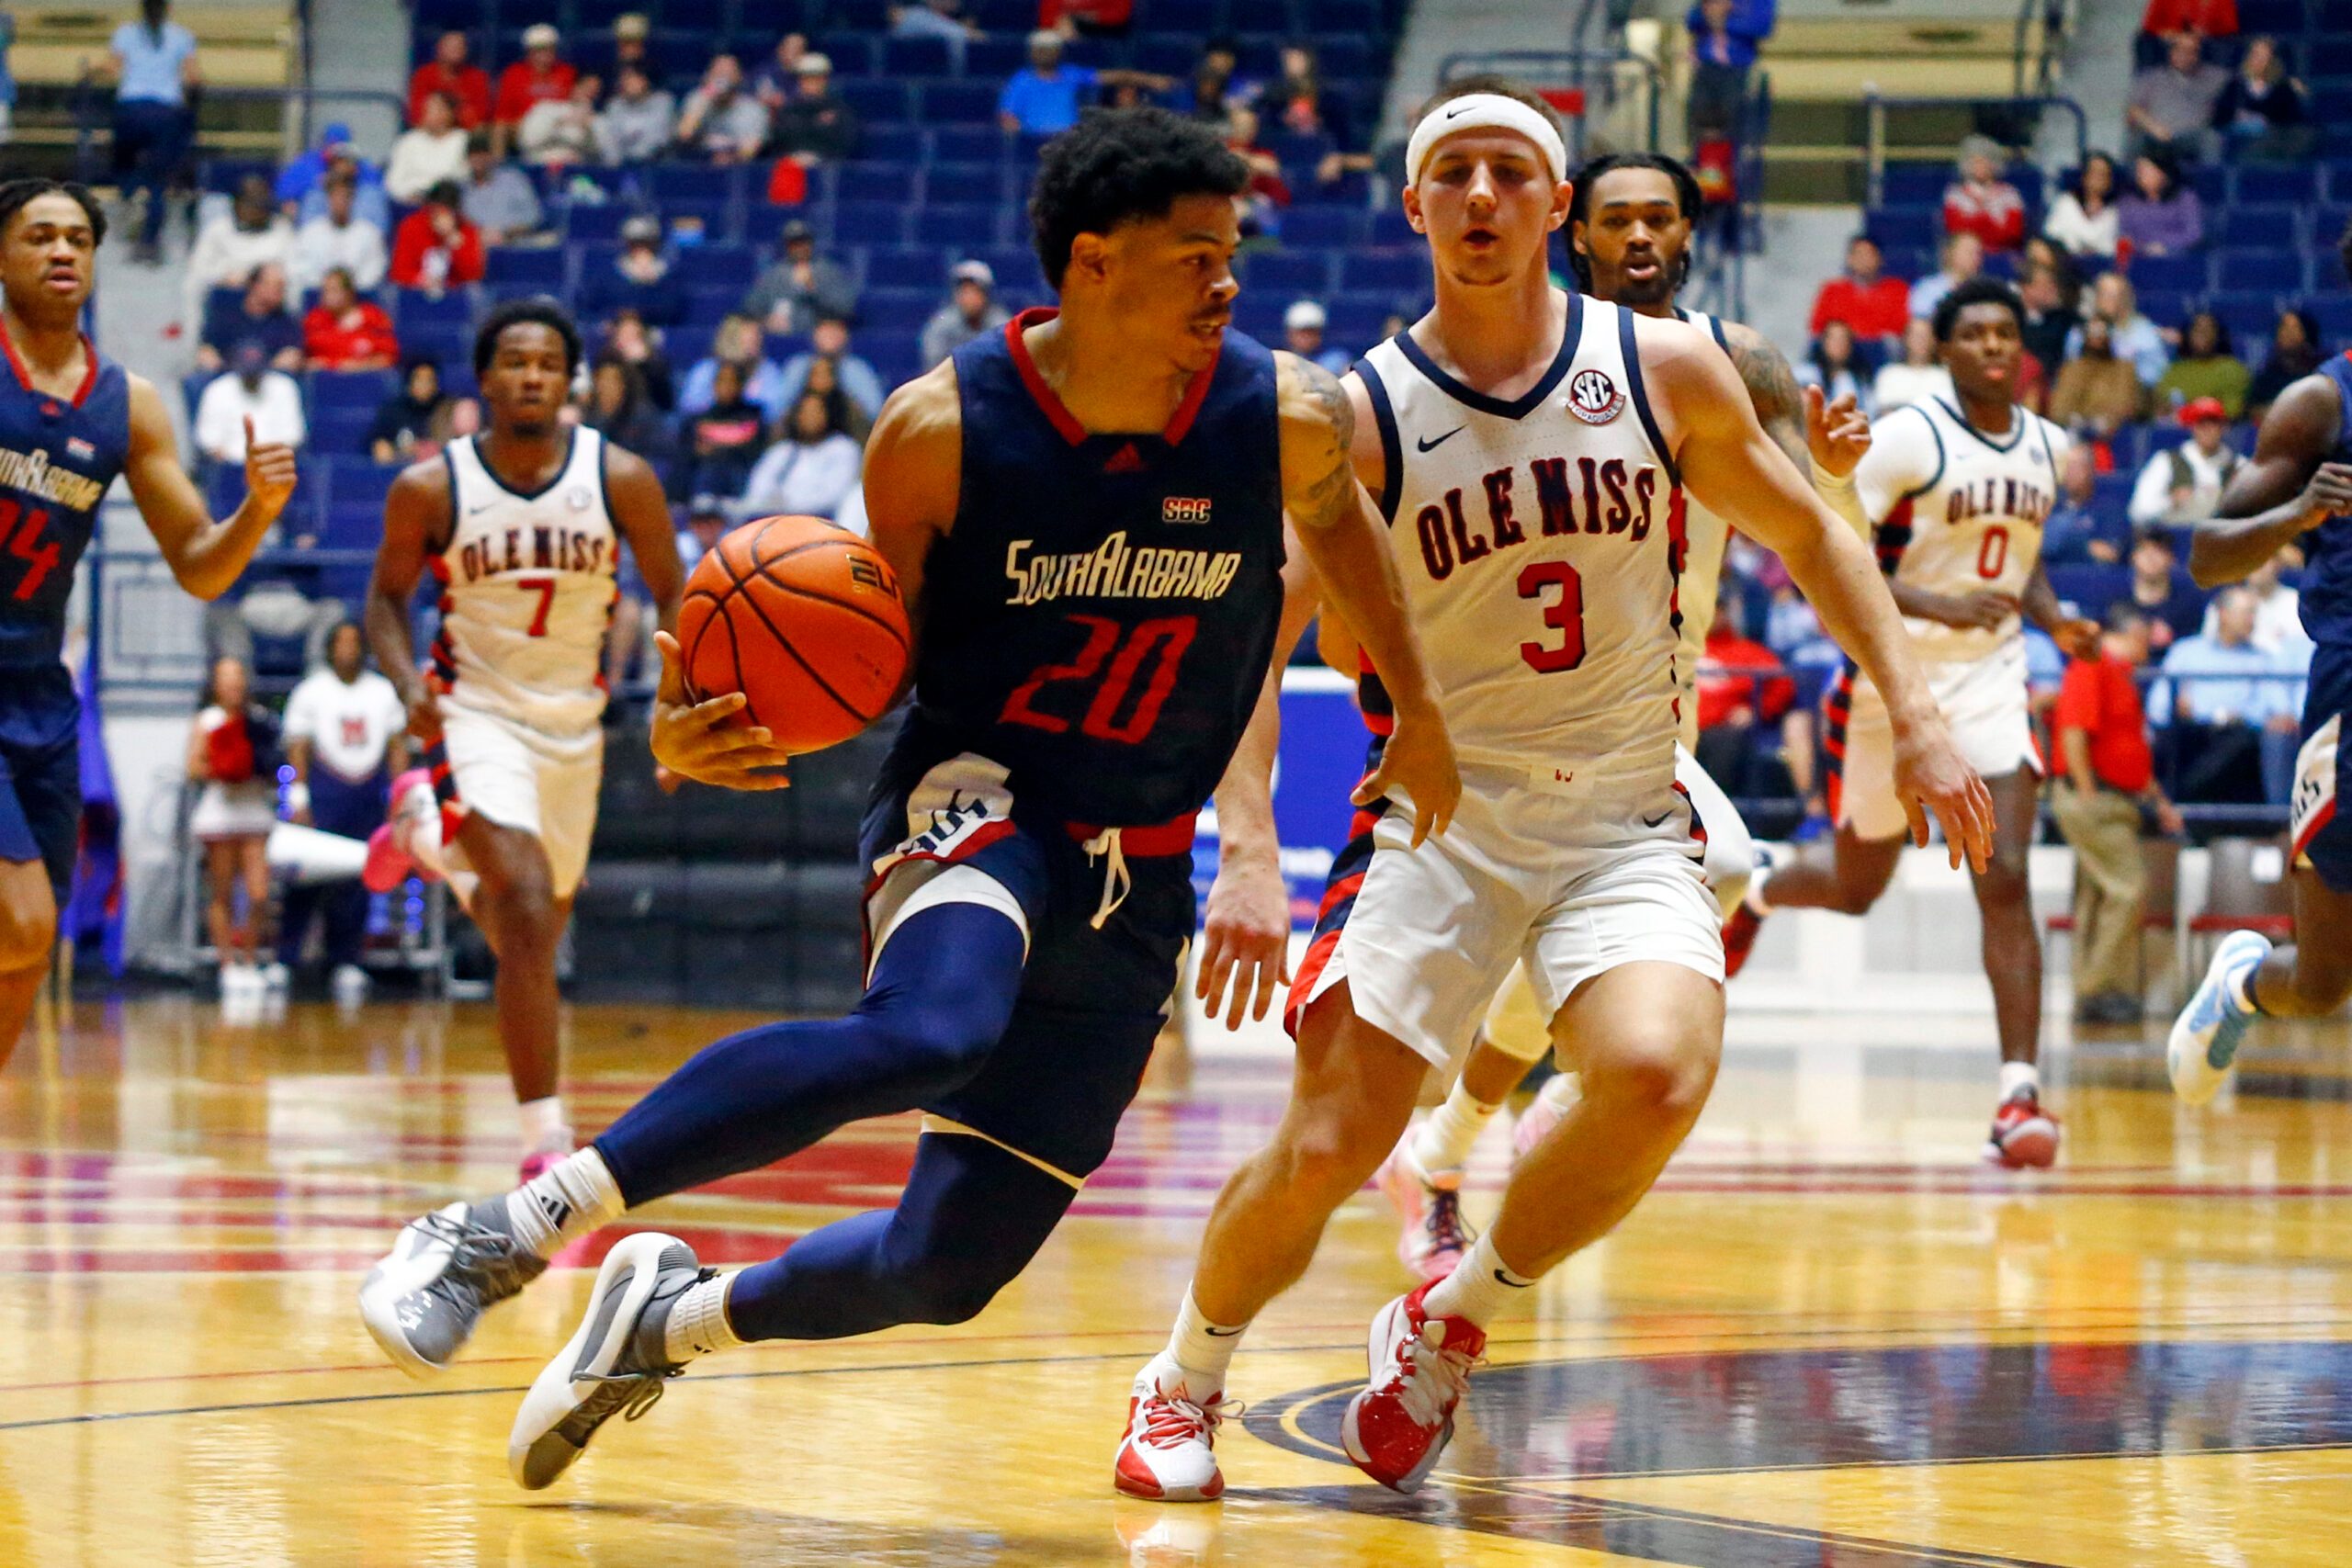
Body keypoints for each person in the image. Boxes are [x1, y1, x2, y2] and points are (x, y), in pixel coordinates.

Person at [355, 110, 1457, 1498]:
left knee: (944, 1268)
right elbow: (868, 657)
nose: (1228, 284)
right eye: (1198, 257)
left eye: (1233, 254)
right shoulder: (940, 431)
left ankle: (667, 1317)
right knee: (935, 1027)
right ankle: (500, 1227)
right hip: (978, 798)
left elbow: (1347, 535)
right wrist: (715, 727)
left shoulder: (1286, 413)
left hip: (1139, 862)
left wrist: (1414, 715)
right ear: (1095, 266)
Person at [1115, 88, 1984, 1503]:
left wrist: (1921, 711)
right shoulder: (1362, 413)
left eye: (1508, 172)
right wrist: (1251, 850)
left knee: (1654, 1071)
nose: (1478, 195)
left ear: (1553, 206)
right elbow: (1243, 650)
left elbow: (1821, 540)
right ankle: (1184, 1374)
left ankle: (1451, 1321)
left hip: (1624, 814)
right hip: (1438, 819)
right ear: (1414, 208)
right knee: (1331, 1140)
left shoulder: (1670, 368)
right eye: (1449, 172)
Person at [1366, 148, 1871, 1275]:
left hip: (1651, 717)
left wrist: (1834, 481)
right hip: (1511, 726)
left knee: (1722, 876)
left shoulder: (1732, 365)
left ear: (1690, 234)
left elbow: (1816, 537)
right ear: (1571, 230)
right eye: (1616, 220)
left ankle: (1445, 1150)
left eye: (1661, 219)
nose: (1639, 237)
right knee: (1720, 868)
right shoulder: (1494, 356)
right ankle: (1450, 1140)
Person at [1725, 278, 2095, 1170]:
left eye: (2006, 332)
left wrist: (2051, 618)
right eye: (1974, 334)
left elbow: (2018, 564)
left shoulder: (2049, 446)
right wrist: (1938, 601)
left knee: (2003, 872)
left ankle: (2017, 1099)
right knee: (1858, 890)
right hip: (1893, 679)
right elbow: (1829, 558)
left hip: (1995, 678)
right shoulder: (1907, 440)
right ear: (1944, 349)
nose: (1995, 346)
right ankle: (1762, 891)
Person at [359, 300, 684, 1179]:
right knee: (530, 902)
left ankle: (421, 833)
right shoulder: (431, 486)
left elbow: (675, 596)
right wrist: (402, 684)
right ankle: (546, 1141)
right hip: (473, 713)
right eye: (515, 361)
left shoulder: (621, 479)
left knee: (525, 936)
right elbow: (387, 601)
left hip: (574, 727)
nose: (533, 375)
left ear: (571, 379)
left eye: (548, 363)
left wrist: (676, 714)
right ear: (486, 379)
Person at [0, 181, 296, 1062]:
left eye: (79, 239)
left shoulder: (127, 404)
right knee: (21, 914)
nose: (63, 252)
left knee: (30, 944)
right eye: (39, 236)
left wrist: (258, 509)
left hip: (40, 690)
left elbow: (200, 567)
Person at [2050, 604, 2181, 1023]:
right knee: (2127, 888)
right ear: (2131, 632)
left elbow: (2124, 749)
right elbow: (2073, 732)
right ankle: (2099, 989)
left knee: (2099, 895)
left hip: (2114, 800)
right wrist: (2087, 793)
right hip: (2097, 800)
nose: (2149, 646)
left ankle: (2094, 991)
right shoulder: (2093, 667)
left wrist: (2158, 800)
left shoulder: (2117, 674)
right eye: (2145, 636)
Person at [278, 622, 408, 999]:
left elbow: (397, 744)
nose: (348, 650)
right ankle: (288, 957)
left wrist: (398, 798)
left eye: (355, 642)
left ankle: (346, 958)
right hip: (325, 790)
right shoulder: (311, 691)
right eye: (342, 643)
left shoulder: (382, 692)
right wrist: (298, 795)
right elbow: (298, 746)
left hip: (366, 791)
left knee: (358, 877)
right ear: (330, 647)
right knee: (306, 875)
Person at [2150, 584, 2301, 804]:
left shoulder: (2262, 660)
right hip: (2192, 730)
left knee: (2243, 740)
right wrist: (2180, 707)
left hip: (2241, 734)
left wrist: (2241, 715)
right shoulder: (2186, 651)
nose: (2252, 620)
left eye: (2254, 613)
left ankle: (2187, 801)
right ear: (2223, 615)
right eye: (2246, 613)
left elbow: (2275, 706)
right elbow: (2158, 704)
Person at [187, 656, 279, 995]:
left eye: (238, 678)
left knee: (258, 893)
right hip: (220, 814)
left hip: (254, 812)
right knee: (221, 891)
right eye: (226, 678)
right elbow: (193, 767)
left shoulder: (260, 720)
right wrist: (223, 767)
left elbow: (275, 765)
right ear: (215, 685)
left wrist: (258, 765)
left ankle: (251, 958)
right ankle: (228, 964)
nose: (233, 686)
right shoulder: (206, 721)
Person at [106, 0, 198, 264]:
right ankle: (149, 240)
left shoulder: (125, 33)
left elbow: (112, 68)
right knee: (159, 182)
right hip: (165, 113)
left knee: (124, 165)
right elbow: (194, 78)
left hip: (131, 110)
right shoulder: (181, 36)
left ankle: (129, 196)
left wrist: (90, 70)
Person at [184, 175, 294, 340]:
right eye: (251, 202)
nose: (257, 208)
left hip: (269, 294)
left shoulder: (282, 230)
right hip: (225, 291)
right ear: (237, 204)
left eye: (261, 202)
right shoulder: (217, 230)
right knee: (191, 285)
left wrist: (258, 280)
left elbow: (290, 268)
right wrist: (224, 275)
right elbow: (199, 268)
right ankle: (197, 344)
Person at [734, 389, 861, 520]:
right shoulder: (782, 450)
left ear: (828, 414)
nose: (810, 417)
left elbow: (834, 497)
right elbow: (756, 490)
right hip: (774, 521)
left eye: (815, 411)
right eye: (804, 412)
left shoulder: (843, 448)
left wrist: (787, 504)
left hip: (822, 523)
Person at [2131, 397, 2243, 525]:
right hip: (2178, 538)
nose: (2207, 429)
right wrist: (2171, 501)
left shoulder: (2239, 464)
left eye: (2213, 422)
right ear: (2193, 426)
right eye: (2201, 423)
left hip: (2223, 539)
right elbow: (2138, 510)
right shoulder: (2166, 460)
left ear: (2223, 426)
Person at [741, 220, 858, 335]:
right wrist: (766, 320)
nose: (799, 247)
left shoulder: (829, 272)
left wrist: (813, 290)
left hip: (817, 339)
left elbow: (846, 309)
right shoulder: (774, 274)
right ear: (786, 245)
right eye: (794, 243)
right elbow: (750, 309)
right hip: (778, 338)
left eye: (803, 242)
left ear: (811, 242)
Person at [195, 343, 306, 464]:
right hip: (231, 466)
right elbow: (209, 441)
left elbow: (293, 437)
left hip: (274, 466)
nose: (252, 378)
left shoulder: (284, 387)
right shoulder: (217, 390)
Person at [2129, 29, 2227, 164]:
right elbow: (2133, 111)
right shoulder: (2151, 77)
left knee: (2211, 138)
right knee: (2136, 139)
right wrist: (2154, 127)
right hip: (2156, 135)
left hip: (2192, 136)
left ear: (2198, 54)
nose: (2184, 55)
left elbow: (2243, 82)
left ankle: (2209, 180)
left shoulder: (2216, 78)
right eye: (2179, 50)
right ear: (2171, 52)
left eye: (2190, 51)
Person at [2213, 35, 2311, 163]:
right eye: (2255, 54)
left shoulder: (2282, 88)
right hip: (2238, 137)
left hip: (2274, 137)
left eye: (2264, 56)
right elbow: (2219, 116)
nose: (2258, 60)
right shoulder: (2235, 85)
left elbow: (2291, 118)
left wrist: (2265, 120)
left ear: (2273, 60)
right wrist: (2237, 116)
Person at [2050, 315, 2149, 441]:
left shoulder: (2124, 369)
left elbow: (2126, 404)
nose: (2098, 338)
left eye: (2102, 333)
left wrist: (2106, 420)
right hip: (2074, 435)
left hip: (2115, 437)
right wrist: (2076, 419)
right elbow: (2059, 407)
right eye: (2093, 333)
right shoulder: (2072, 368)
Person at [1685, 0, 1772, 141]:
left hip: (1738, 68)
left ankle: (1730, 159)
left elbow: (1762, 27)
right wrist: (1709, 15)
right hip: (1706, 67)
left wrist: (1724, 20)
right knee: (1701, 125)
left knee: (1734, 124)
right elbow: (1692, 21)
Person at [679, 314, 789, 423]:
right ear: (730, 338)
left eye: (758, 335)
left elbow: (774, 410)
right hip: (710, 427)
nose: (757, 340)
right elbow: (689, 407)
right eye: (750, 336)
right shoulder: (706, 370)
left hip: (752, 431)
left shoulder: (767, 370)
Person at [2066, 272, 2170, 388]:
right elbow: (2071, 370)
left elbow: (2156, 375)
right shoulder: (2079, 332)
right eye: (2103, 294)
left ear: (2126, 299)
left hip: (2131, 393)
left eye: (2114, 295)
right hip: (2089, 393)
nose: (2107, 301)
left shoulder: (2144, 332)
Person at [289, 173, 387, 294]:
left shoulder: (369, 233)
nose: (340, 202)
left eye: (345, 197)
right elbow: (299, 268)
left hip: (358, 299)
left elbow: (375, 271)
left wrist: (346, 289)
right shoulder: (309, 233)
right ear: (328, 198)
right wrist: (329, 288)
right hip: (319, 300)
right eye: (335, 196)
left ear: (352, 199)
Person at [198, 262, 302, 375]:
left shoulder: (288, 322)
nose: (281, 292)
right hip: (228, 379)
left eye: (283, 287)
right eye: (276, 285)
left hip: (270, 381)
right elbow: (207, 348)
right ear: (255, 285)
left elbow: (291, 356)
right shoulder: (226, 315)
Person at [682, 361, 768, 497]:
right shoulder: (698, 420)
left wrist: (716, 448)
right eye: (721, 381)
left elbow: (754, 452)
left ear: (741, 385)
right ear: (714, 385)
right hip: (703, 480)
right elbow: (689, 452)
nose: (726, 387)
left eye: (732, 381)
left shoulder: (754, 417)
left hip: (740, 479)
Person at [583, 215, 685, 329]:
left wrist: (651, 284)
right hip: (615, 331)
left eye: (647, 244)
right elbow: (590, 307)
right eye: (635, 244)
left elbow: (672, 312)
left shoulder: (667, 277)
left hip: (653, 331)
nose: (641, 249)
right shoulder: (608, 276)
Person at [775, 316, 884, 423]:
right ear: (814, 335)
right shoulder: (798, 365)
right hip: (797, 437)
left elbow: (874, 411)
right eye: (825, 330)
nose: (830, 336)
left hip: (847, 435)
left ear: (845, 336)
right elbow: (778, 411)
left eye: (835, 330)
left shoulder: (856, 368)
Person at [1809, 234, 1909, 346]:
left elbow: (1900, 329)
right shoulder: (1832, 290)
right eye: (1859, 254)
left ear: (1880, 259)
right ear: (1849, 259)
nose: (1864, 260)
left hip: (1881, 353)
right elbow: (1817, 329)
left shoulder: (1897, 289)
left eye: (1869, 254)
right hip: (1841, 352)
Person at [581, 356, 672, 478]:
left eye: (612, 380)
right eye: (601, 379)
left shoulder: (644, 419)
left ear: (625, 385)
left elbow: (659, 462)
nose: (605, 386)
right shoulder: (590, 419)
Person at [389, 181, 486, 295]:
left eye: (445, 213)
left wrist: (454, 240)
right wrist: (422, 280)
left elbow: (473, 277)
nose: (439, 218)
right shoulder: (411, 226)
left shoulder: (468, 230)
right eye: (434, 212)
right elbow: (398, 272)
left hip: (454, 296)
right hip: (416, 293)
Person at [766, 52, 861, 166]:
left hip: (827, 170)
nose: (812, 83)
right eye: (806, 78)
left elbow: (846, 143)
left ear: (825, 80)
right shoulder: (788, 110)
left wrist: (820, 159)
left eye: (817, 78)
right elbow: (777, 143)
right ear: (799, 81)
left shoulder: (839, 109)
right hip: (791, 168)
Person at [495, 24, 577, 154]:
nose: (545, 53)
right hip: (526, 134)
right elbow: (503, 119)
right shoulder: (514, 74)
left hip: (562, 134)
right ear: (529, 51)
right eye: (539, 49)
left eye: (549, 48)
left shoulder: (567, 73)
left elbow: (574, 108)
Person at [675, 54, 769, 164]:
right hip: (698, 164)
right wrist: (706, 98)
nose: (723, 77)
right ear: (707, 76)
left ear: (739, 77)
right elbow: (684, 135)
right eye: (718, 72)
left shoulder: (754, 109)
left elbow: (749, 151)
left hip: (736, 169)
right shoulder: (697, 99)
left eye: (728, 73)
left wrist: (729, 159)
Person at [2044, 441, 2127, 564]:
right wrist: (2086, 545)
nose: (2069, 472)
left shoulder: (2109, 509)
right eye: (2066, 466)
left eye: (2075, 466)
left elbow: (2109, 553)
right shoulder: (2051, 506)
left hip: (2092, 579)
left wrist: (2063, 542)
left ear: (2090, 469)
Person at [2156, 312, 2250, 420]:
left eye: (2209, 329)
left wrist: (2192, 412)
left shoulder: (2233, 370)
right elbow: (2162, 408)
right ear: (2188, 334)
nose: (2203, 333)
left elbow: (2232, 412)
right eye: (2197, 329)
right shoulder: (2174, 370)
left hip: (2214, 432)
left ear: (2218, 335)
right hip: (2178, 431)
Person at [919, 259, 1010, 368]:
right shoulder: (941, 325)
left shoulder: (1002, 325)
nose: (969, 298)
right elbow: (933, 366)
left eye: (975, 291)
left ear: (986, 294)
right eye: (965, 292)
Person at [303, 266, 398, 372]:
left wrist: (360, 366)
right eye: (325, 291)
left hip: (365, 379)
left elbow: (388, 358)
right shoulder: (315, 319)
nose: (327, 296)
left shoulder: (373, 317)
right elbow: (306, 358)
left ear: (349, 292)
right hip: (325, 380)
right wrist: (333, 365)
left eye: (334, 290)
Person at [2127, 525, 2206, 650]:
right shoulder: (2117, 603)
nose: (2150, 557)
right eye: (2143, 550)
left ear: (2171, 558)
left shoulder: (2188, 606)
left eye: (2159, 551)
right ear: (2133, 557)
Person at [1942, 134, 2024, 253]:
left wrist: (1975, 222)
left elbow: (2013, 233)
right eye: (1975, 162)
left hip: (2001, 254)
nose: (1980, 166)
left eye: (1985, 161)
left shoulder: (2010, 194)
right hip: (1966, 255)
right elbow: (1956, 230)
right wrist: (1991, 223)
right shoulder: (1955, 194)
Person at [458, 135, 544, 246]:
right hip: (479, 250)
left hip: (517, 246)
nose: (479, 159)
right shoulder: (461, 190)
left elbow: (534, 217)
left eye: (483, 154)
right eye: (474, 155)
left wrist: (505, 233)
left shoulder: (513, 180)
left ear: (491, 156)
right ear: (467, 159)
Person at [389, 91, 471, 204]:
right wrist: (409, 195)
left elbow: (463, 177)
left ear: (449, 113)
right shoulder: (408, 141)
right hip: (409, 203)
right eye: (426, 109)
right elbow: (393, 181)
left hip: (448, 202)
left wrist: (433, 194)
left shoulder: (462, 140)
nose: (427, 113)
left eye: (435, 109)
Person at [2117, 150, 2203, 256]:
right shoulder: (2128, 202)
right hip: (2139, 260)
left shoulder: (2185, 199)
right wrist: (2145, 248)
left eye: (2145, 171)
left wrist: (2166, 247)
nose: (2140, 175)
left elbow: (2194, 234)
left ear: (2163, 173)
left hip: (2177, 260)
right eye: (2138, 171)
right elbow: (2124, 236)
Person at [2042, 152, 2120, 262]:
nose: (2098, 179)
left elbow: (2114, 248)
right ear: (2084, 177)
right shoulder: (2066, 204)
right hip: (2067, 267)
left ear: (2109, 181)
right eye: (2094, 173)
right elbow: (2051, 239)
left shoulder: (2114, 212)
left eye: (2103, 174)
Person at [2248, 309, 2324, 422]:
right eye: (2283, 327)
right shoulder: (2269, 372)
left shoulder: (2321, 370)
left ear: (2307, 333)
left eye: (2294, 328)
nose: (2287, 333)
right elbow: (2254, 408)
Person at [408, 30, 490, 130]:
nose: (456, 50)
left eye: (460, 47)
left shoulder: (477, 77)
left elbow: (480, 116)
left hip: (464, 132)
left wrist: (448, 115)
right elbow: (416, 114)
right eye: (451, 47)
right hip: (429, 131)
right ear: (439, 49)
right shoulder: (423, 75)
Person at [371, 357, 448, 464]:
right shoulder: (393, 410)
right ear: (409, 383)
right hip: (403, 469)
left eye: (430, 380)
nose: (424, 385)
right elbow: (378, 442)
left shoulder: (447, 409)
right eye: (419, 380)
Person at [596, 63, 675, 166]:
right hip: (619, 165)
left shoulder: (663, 102)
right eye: (623, 79)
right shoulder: (615, 105)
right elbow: (611, 140)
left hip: (656, 164)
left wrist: (632, 158)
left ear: (644, 80)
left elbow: (659, 138)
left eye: (631, 78)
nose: (626, 83)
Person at [518, 74, 604, 170]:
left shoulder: (597, 120)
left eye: (595, 92)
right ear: (575, 87)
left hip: (577, 171)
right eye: (586, 88)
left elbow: (607, 157)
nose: (589, 93)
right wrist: (560, 122)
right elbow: (528, 141)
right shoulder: (544, 108)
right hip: (539, 166)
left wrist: (590, 128)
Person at [1871, 317, 1952, 412]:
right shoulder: (1889, 374)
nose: (1920, 341)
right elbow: (1885, 413)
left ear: (1934, 341)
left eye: (1925, 336)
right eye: (1916, 336)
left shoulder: (1945, 375)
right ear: (1905, 339)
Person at [1907, 231, 1983, 325]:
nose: (1975, 257)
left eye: (1978, 253)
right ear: (1949, 253)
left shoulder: (1985, 291)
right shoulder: (1927, 288)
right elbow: (1920, 324)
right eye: (1968, 251)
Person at [1798, 320, 1871, 412]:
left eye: (1843, 339)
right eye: (1833, 339)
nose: (1838, 344)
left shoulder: (1858, 380)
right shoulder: (1806, 373)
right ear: (1824, 342)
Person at [1279, 299, 1351, 377]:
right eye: (1302, 333)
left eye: (1312, 332)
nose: (1307, 338)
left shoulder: (1336, 360)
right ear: (1290, 333)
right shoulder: (1279, 361)